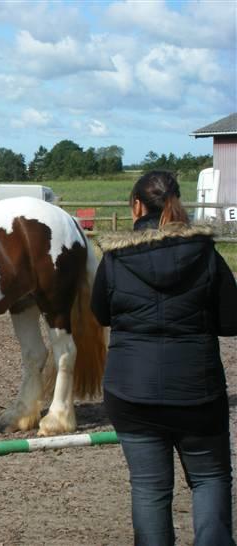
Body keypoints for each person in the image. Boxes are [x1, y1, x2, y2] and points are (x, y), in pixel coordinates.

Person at [91, 170, 237, 545]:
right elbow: (231, 321)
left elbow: (102, 314)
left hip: (131, 391)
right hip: (197, 391)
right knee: (209, 479)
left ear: (137, 206)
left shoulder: (115, 259)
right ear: (177, 203)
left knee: (149, 489)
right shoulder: (206, 253)